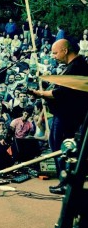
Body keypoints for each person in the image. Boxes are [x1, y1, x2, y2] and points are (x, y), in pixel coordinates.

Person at [28, 38, 88, 194]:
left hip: (67, 116)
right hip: (63, 115)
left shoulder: (77, 67)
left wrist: (39, 93)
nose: (53, 56)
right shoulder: (72, 66)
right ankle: (65, 182)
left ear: (65, 51)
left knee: (60, 148)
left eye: (55, 52)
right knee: (57, 146)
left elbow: (61, 93)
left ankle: (65, 183)